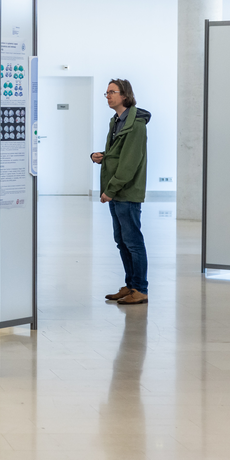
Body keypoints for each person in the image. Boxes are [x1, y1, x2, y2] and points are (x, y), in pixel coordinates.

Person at [91, 79, 151, 305]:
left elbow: (130, 163)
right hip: (117, 191)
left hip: (126, 191)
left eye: (112, 92)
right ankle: (131, 285)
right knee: (122, 241)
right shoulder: (116, 121)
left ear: (125, 95)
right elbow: (119, 154)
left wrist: (110, 190)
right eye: (106, 93)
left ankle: (140, 289)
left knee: (133, 242)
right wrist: (101, 156)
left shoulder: (136, 125)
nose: (108, 96)